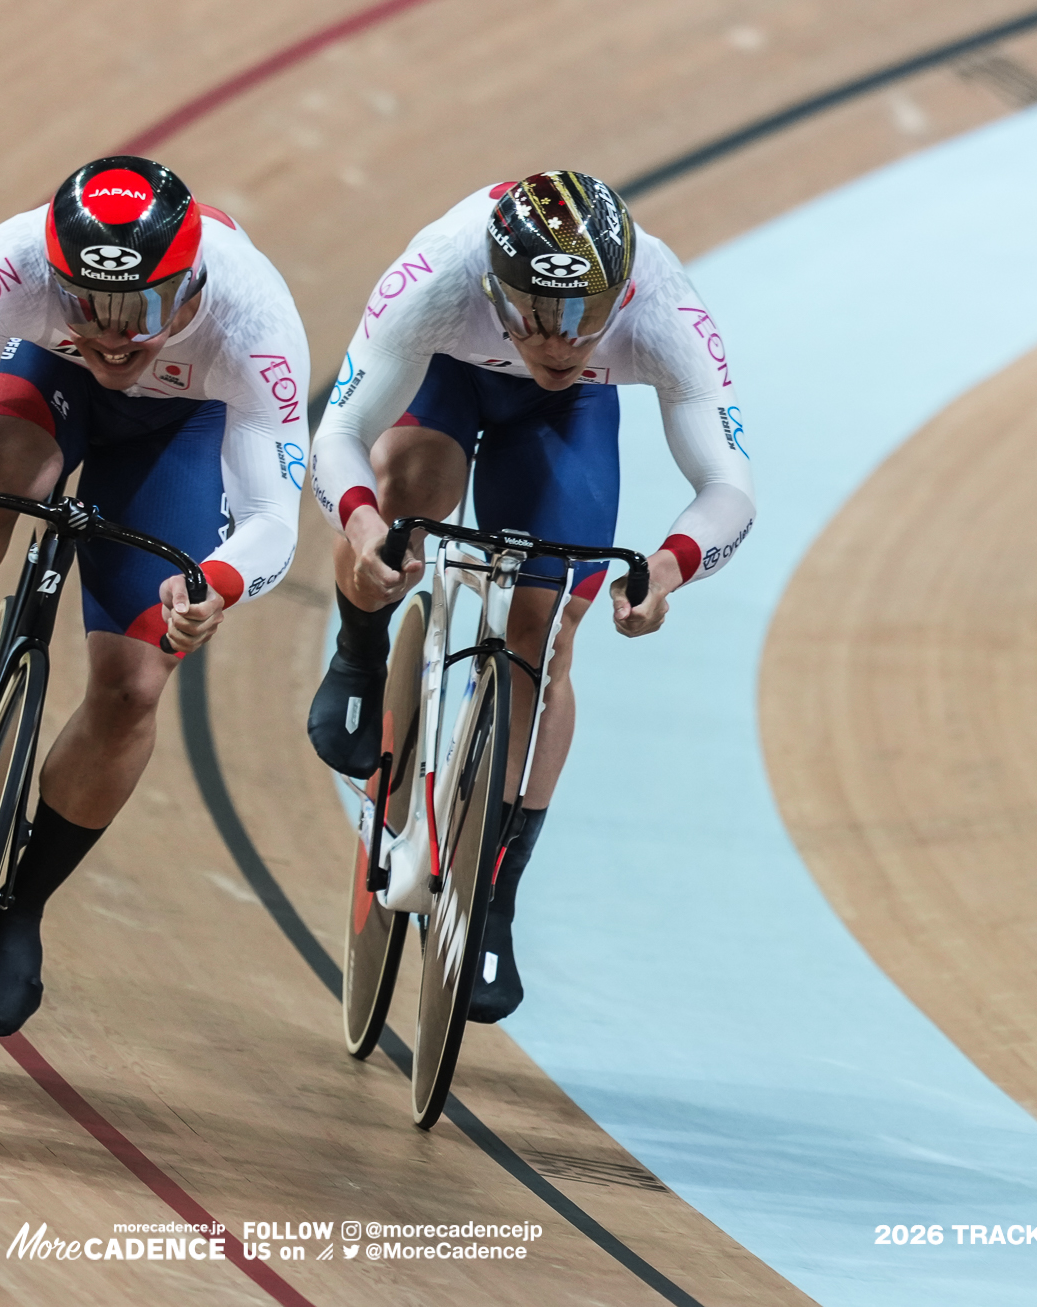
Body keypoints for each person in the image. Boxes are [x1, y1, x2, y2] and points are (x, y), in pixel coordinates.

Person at [0, 156, 309, 1036]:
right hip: (47, 382)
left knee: (136, 683)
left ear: (190, 288)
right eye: (87, 306)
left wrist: (214, 585)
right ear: (52, 274)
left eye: (140, 312)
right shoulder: (12, 263)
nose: (111, 338)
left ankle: (20, 905)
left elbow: (274, 515)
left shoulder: (255, 317)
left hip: (180, 428)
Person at [306, 170, 755, 1023]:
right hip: (449, 375)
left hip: (569, 417)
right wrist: (367, 532)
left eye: (585, 318)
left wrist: (664, 570)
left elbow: (729, 485)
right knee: (405, 493)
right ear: (492, 288)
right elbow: (339, 434)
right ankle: (359, 653)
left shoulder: (663, 307)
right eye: (537, 319)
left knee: (545, 632)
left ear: (621, 294)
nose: (559, 341)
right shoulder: (440, 273)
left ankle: (495, 895)